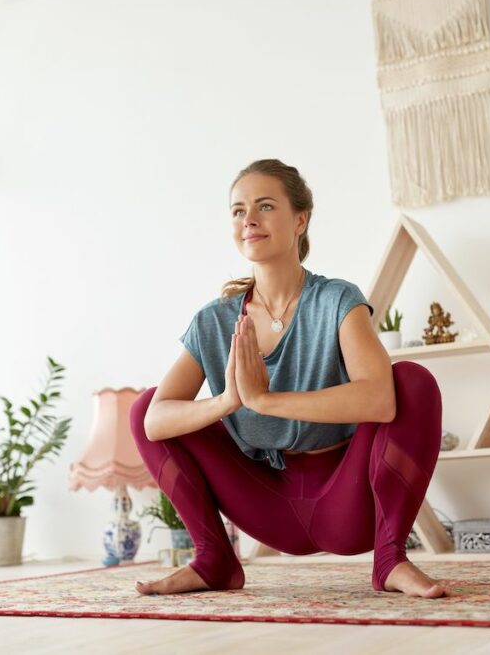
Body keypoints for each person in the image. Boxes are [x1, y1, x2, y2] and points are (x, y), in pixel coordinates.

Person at [130, 159, 447, 598]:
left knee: (411, 381)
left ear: (301, 219)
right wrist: (227, 402)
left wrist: (264, 399)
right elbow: (153, 422)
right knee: (146, 405)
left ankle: (391, 559)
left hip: (347, 503)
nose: (249, 220)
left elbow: (380, 400)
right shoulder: (213, 320)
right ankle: (214, 559)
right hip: (266, 501)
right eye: (238, 210)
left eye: (264, 206)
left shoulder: (337, 300)